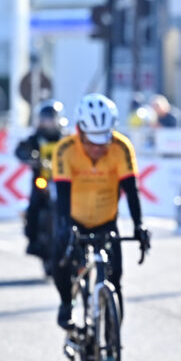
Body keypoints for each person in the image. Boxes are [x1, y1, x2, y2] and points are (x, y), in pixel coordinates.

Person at [51, 93, 151, 332]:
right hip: (74, 217)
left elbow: (132, 190)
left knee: (115, 278)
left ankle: (112, 341)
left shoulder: (121, 147)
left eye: (103, 141)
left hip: (106, 220)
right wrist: (65, 227)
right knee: (59, 260)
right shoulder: (64, 149)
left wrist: (139, 225)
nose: (97, 148)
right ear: (80, 131)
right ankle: (66, 302)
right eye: (91, 141)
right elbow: (62, 194)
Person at [15, 99, 66, 257]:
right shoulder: (36, 137)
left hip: (62, 181)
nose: (47, 122)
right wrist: (29, 157)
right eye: (44, 118)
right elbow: (20, 149)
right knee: (34, 205)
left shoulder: (64, 138)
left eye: (50, 118)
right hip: (41, 180)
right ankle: (32, 241)